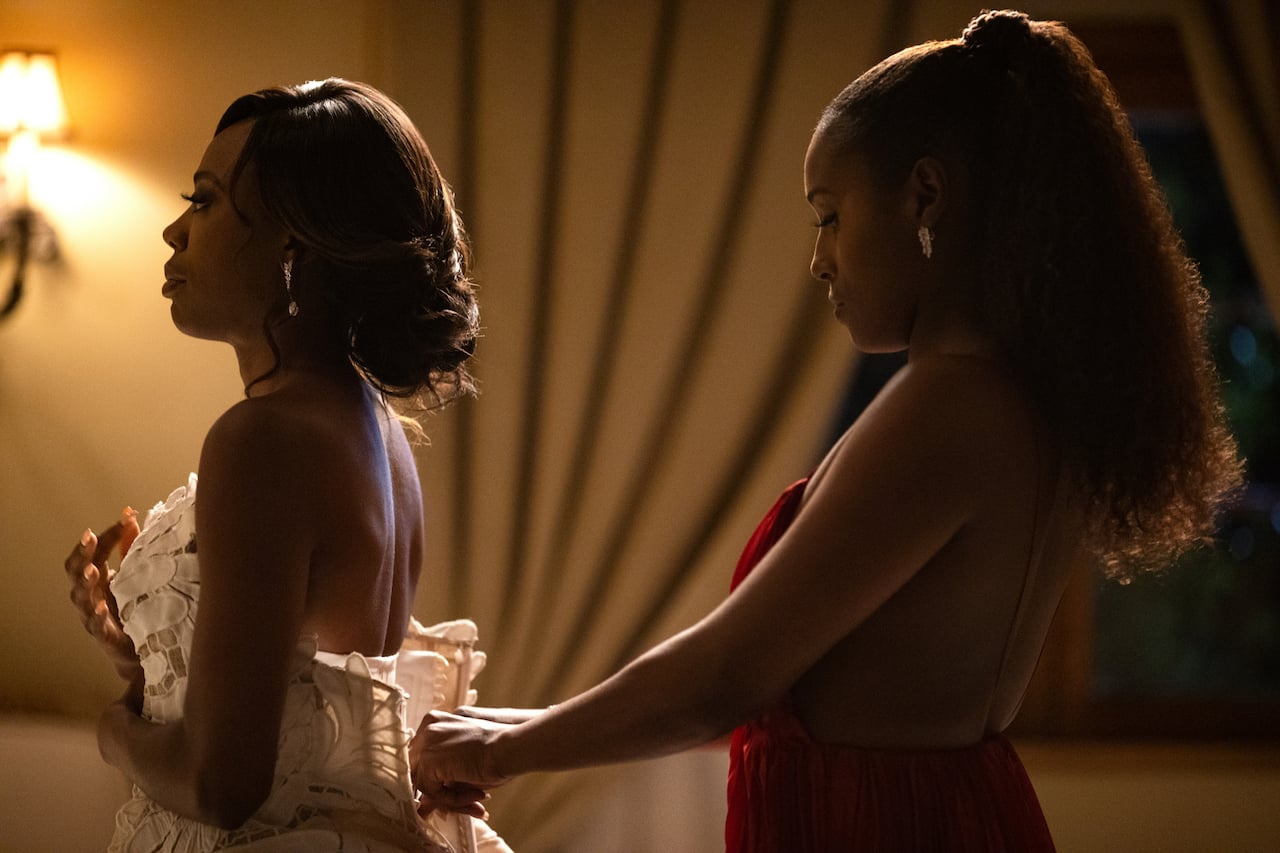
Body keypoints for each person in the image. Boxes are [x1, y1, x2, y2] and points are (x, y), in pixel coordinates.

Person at [409, 10, 1243, 852]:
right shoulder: (1004, 402)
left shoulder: (951, 410)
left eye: (830, 214)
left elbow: (724, 677)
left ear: (925, 196)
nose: (819, 258)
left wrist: (499, 748)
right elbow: (783, 685)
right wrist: (509, 725)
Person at [63, 79, 509, 852]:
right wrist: (143, 662)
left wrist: (109, 730)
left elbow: (222, 784)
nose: (173, 230)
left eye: (204, 201)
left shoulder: (263, 440)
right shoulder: (380, 436)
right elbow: (307, 712)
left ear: (292, 248)